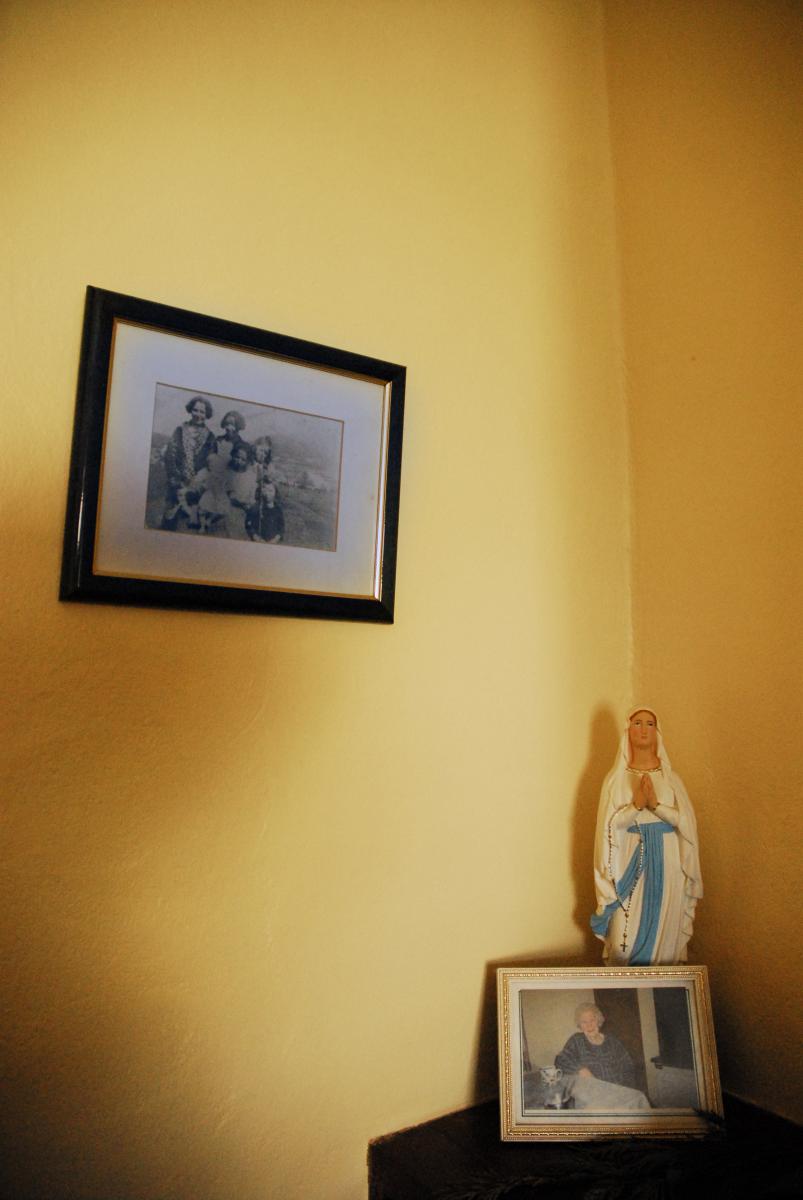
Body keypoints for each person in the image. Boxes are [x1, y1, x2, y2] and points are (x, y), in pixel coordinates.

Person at [590, 707, 702, 965]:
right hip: (629, 859)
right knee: (622, 938)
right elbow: (608, 826)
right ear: (628, 730)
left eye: (649, 724)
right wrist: (636, 806)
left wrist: (656, 806)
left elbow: (686, 823)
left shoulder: (671, 779)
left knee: (666, 933)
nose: (643, 729)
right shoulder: (615, 780)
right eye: (637, 723)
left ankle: (663, 982)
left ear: (657, 731)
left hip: (668, 860)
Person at [161, 396, 217, 530]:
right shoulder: (179, 431)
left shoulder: (210, 437)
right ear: (190, 410)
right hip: (177, 483)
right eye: (195, 410)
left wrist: (196, 483)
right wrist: (177, 481)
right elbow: (170, 456)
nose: (198, 415)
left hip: (197, 486)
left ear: (207, 414)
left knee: (193, 526)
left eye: (202, 412)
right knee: (169, 522)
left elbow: (211, 463)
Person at [554, 1003, 635, 1088]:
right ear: (580, 1025)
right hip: (591, 1091)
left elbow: (628, 1066)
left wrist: (625, 1089)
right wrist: (580, 1069)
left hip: (617, 1088)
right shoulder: (577, 1040)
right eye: (584, 1022)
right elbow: (560, 1060)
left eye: (592, 1020)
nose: (589, 1025)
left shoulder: (612, 1041)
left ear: (598, 1021)